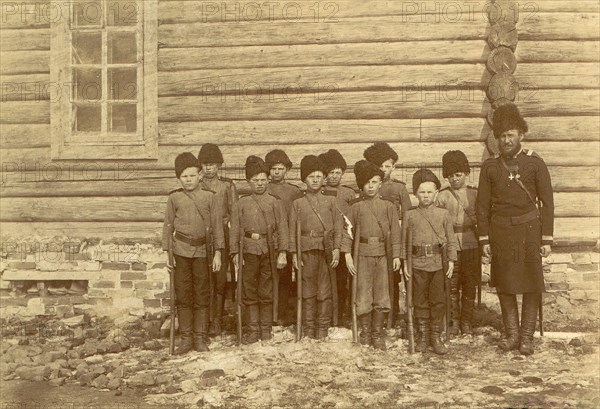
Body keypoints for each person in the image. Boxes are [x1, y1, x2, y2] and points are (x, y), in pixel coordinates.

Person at [476, 103, 554, 356]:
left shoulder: (535, 163)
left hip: (530, 230)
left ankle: (527, 338)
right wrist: (485, 239)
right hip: (501, 233)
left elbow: (548, 202)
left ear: (521, 134)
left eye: (511, 134)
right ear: (497, 138)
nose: (506, 140)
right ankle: (511, 335)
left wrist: (546, 238)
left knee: (532, 285)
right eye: (502, 136)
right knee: (505, 285)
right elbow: (482, 206)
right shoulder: (490, 167)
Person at [162, 152, 224, 354]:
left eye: (191, 175)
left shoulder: (210, 197)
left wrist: (217, 253)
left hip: (202, 253)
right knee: (183, 294)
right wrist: (168, 255)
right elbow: (167, 227)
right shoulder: (174, 198)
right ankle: (186, 339)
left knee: (202, 294)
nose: (188, 180)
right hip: (180, 252)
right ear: (178, 179)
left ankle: (200, 338)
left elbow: (217, 227)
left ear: (199, 176)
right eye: (184, 176)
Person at [341, 160, 401, 350]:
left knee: (382, 294)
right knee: (363, 294)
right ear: (361, 185)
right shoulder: (355, 208)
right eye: (367, 183)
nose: (371, 186)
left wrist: (397, 255)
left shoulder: (389, 207)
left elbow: (396, 234)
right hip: (362, 256)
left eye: (374, 182)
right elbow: (347, 232)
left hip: (383, 255)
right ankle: (365, 332)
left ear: (380, 183)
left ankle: (377, 333)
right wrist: (347, 255)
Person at [230, 156, 288, 344]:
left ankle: (265, 329)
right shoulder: (241, 203)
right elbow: (235, 230)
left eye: (263, 180)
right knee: (249, 289)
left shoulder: (275, 202)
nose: (260, 184)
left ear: (268, 180)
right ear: (248, 182)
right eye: (255, 180)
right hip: (248, 251)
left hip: (268, 250)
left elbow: (283, 228)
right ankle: (253, 330)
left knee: (267, 289)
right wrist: (235, 254)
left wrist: (282, 252)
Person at [401, 168, 457, 355]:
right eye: (422, 192)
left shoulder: (443, 214)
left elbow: (451, 239)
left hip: (438, 264)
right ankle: (423, 336)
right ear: (415, 193)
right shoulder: (410, 215)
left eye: (429, 192)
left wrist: (451, 260)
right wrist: (404, 263)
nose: (425, 196)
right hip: (417, 264)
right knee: (420, 301)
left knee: (438, 300)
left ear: (436, 194)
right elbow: (404, 241)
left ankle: (435, 335)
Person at [289, 155, 343, 339]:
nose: (315, 180)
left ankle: (322, 328)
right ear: (304, 179)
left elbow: (337, 227)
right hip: (305, 251)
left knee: (324, 290)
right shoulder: (297, 204)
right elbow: (291, 231)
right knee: (307, 290)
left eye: (319, 176)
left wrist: (336, 248)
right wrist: (294, 253)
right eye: (311, 176)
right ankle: (309, 328)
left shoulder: (331, 201)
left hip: (325, 250)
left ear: (324, 179)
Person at [363, 142, 412, 328]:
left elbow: (407, 214)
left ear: (393, 166)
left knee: (393, 276)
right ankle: (375, 316)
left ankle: (393, 313)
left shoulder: (399, 188)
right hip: (374, 240)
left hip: (393, 238)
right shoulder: (369, 185)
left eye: (387, 165)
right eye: (380, 166)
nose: (384, 169)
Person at [436, 150, 480, 335]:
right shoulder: (443, 196)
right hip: (450, 245)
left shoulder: (475, 194)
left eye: (458, 175)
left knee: (470, 284)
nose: (454, 179)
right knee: (451, 284)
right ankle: (453, 321)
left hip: (471, 244)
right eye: (450, 176)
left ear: (466, 173)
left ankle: (467, 322)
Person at [198, 143, 238, 336]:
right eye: (205, 164)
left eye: (213, 164)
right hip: (202, 237)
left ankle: (218, 321)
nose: (209, 168)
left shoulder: (227, 186)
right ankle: (204, 321)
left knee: (220, 280)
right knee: (203, 280)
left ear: (219, 166)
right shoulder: (197, 186)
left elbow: (234, 213)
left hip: (222, 237)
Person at [318, 149, 357, 325]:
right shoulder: (320, 191)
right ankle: (325, 315)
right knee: (323, 280)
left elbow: (351, 220)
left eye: (337, 173)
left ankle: (341, 314)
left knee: (342, 281)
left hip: (342, 241)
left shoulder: (348, 193)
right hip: (323, 241)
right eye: (331, 173)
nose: (334, 176)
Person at [265, 149, 303, 325]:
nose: (277, 172)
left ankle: (282, 314)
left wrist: (288, 245)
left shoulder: (293, 192)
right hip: (266, 242)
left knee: (284, 279)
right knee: (267, 278)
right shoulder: (264, 188)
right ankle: (268, 314)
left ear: (286, 170)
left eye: (280, 168)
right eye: (273, 169)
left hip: (285, 241)